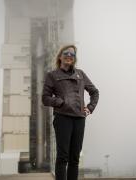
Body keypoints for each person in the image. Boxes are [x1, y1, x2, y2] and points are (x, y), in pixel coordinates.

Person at [42, 45, 99, 180]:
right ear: (60, 57)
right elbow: (45, 98)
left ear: (74, 58)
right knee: (63, 156)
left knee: (75, 158)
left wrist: (90, 107)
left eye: (72, 54)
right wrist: (60, 102)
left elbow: (95, 92)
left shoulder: (80, 74)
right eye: (66, 53)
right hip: (63, 118)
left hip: (79, 119)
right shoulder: (52, 75)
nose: (69, 56)